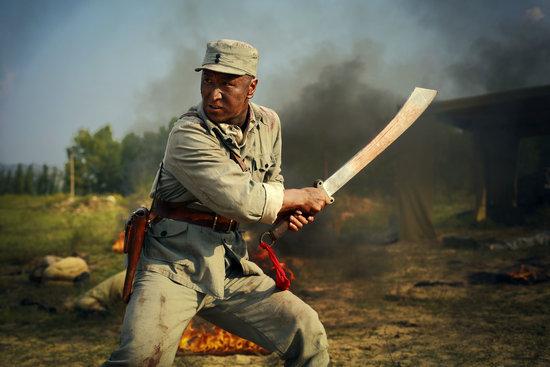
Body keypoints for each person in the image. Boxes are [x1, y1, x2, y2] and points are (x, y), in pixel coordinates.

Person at [103, 39, 331, 367]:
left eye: (227, 83)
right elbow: (241, 198)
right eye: (208, 80)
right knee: (138, 360)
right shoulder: (187, 134)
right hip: (172, 264)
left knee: (306, 330)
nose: (214, 93)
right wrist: (298, 197)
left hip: (230, 264)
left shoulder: (269, 124)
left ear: (252, 86)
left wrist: (287, 211)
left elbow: (271, 184)